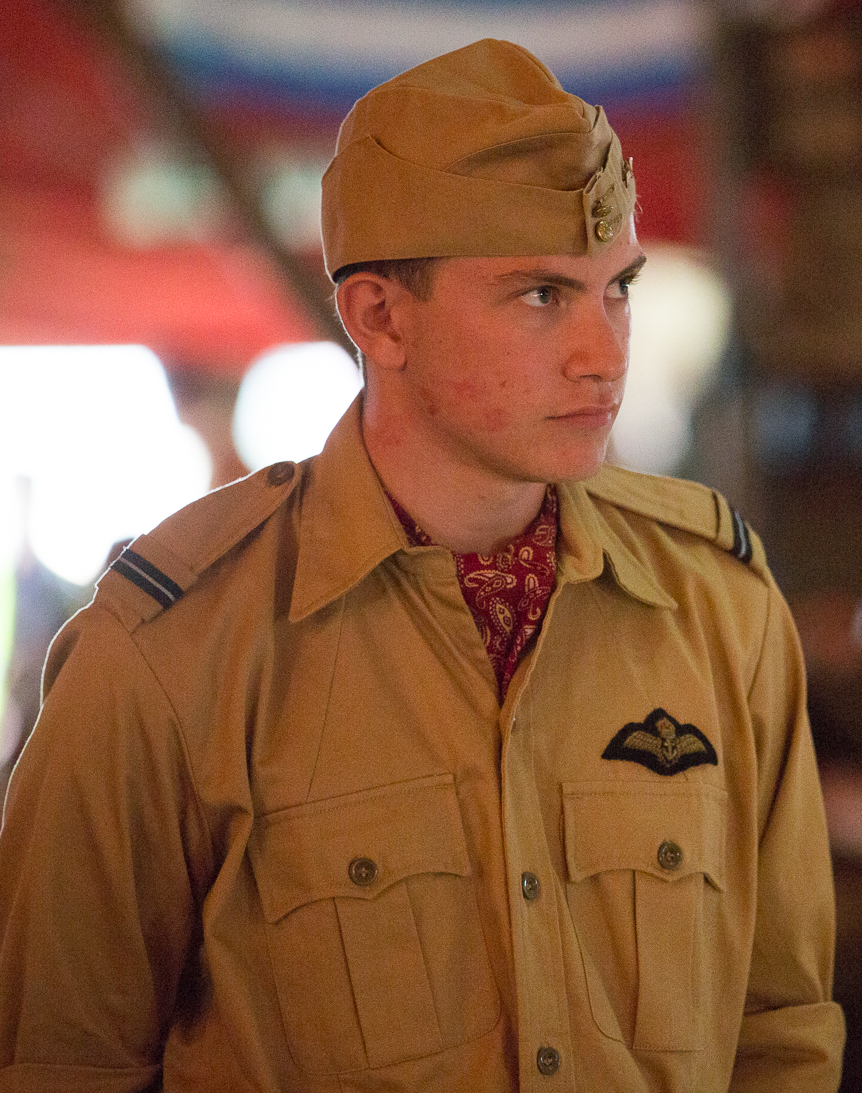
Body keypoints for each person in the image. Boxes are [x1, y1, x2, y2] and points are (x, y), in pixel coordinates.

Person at [0, 38, 845, 1093]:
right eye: (541, 296)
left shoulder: (718, 602)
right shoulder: (170, 655)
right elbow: (58, 1063)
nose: (604, 353)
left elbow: (781, 1029)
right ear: (380, 317)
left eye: (616, 289)